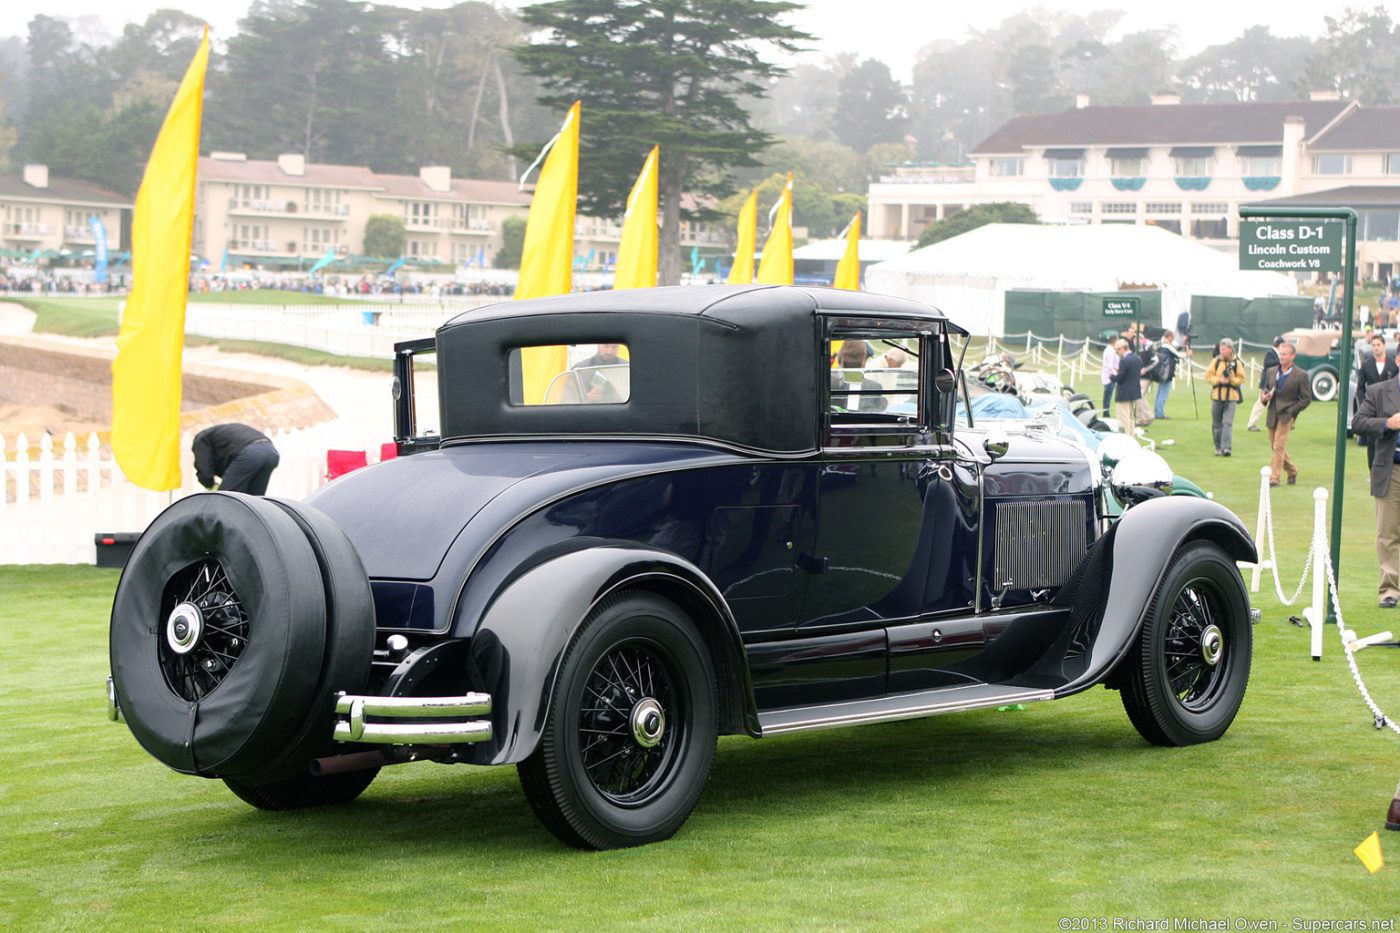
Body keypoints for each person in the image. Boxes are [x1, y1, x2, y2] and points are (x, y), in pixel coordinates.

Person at [1351, 369, 1400, 606]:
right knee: (1388, 532)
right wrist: (1387, 423)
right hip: (1392, 469)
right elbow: (1358, 422)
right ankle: (1389, 590)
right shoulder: (1379, 391)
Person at [1261, 342, 1312, 486]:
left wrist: (1292, 411)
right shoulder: (1271, 371)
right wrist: (1264, 398)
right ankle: (1292, 470)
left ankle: (1274, 478)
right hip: (1272, 413)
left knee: (1278, 446)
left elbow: (1306, 399)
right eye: (1280, 354)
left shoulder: (1301, 375)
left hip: (1287, 415)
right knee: (1275, 446)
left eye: (1284, 354)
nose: (1281, 357)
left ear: (1292, 356)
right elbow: (1266, 388)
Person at [192, 423, 280, 495]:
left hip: (250, 453)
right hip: (271, 452)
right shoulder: (219, 435)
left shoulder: (202, 439)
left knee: (226, 498)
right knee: (254, 501)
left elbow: (203, 466)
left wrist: (210, 485)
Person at [1356, 333, 1398, 468]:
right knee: (1372, 442)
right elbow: (1360, 387)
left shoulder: (1392, 365)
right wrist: (1364, 404)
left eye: (1378, 345)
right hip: (1372, 407)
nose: (1376, 348)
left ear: (1384, 346)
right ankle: (1373, 470)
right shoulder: (1366, 365)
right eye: (1373, 345)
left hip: (1391, 408)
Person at [1206, 338, 1245, 456]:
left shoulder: (1237, 363)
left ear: (1230, 349)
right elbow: (1208, 376)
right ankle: (1218, 447)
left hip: (1231, 397)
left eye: (1224, 349)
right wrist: (1219, 380)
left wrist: (1231, 380)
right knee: (1217, 424)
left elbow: (1242, 378)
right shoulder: (1215, 361)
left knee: (1228, 423)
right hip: (1217, 397)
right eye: (1220, 349)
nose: (1221, 351)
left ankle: (1226, 448)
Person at [1246, 337, 1284, 432]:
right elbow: (1267, 364)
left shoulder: (1278, 354)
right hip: (1268, 383)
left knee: (1280, 402)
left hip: (1276, 381)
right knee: (1261, 403)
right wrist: (1281, 361)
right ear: (1278, 345)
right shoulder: (1270, 353)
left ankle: (1282, 422)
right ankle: (1251, 424)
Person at [1152, 331, 1187, 420]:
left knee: (1160, 392)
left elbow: (1174, 350)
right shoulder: (1167, 346)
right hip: (1167, 372)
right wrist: (1187, 354)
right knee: (1163, 392)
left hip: (1161, 371)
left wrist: (1183, 345)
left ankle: (1157, 411)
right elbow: (1177, 354)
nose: (1173, 340)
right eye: (1173, 338)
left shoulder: (1161, 345)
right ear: (1169, 337)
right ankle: (1160, 413)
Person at [1111, 338, 1142, 434]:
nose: (1117, 353)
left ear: (1122, 349)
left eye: (1117, 350)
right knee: (1131, 417)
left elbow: (1120, 378)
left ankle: (1126, 437)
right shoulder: (1137, 359)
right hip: (1134, 392)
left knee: (1123, 417)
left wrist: (1112, 375)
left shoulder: (1124, 361)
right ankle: (1131, 436)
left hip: (1124, 393)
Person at [1100, 338, 1119, 414]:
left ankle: (1106, 412)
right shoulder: (1110, 352)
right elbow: (1110, 366)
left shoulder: (1110, 350)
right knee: (1108, 397)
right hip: (1110, 377)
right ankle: (1106, 413)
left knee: (1108, 396)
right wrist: (1115, 376)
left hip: (1109, 376)